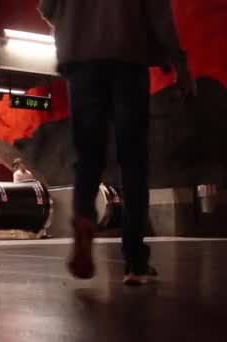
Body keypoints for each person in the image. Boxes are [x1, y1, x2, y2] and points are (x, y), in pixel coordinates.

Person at [40, 0, 195, 285]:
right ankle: (135, 262)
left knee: (88, 155)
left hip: (80, 60)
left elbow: (48, 7)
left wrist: (78, 24)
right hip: (127, 57)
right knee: (133, 159)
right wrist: (180, 66)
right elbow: (159, 13)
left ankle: (85, 217)